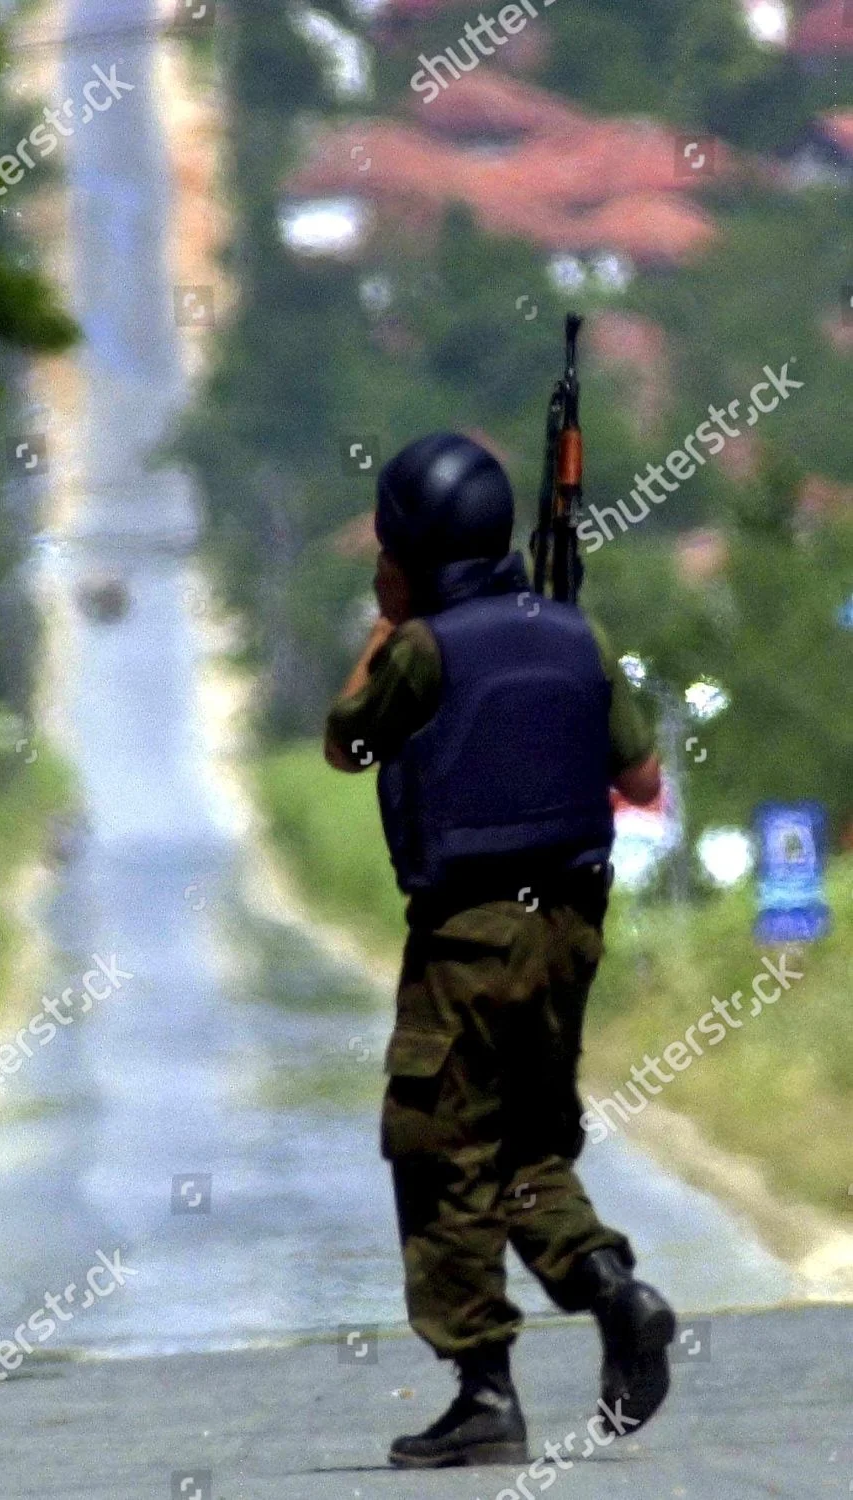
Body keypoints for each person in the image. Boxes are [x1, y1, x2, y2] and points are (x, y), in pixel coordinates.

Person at [324, 432, 675, 1470]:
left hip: (467, 935)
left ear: (414, 550)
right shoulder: (573, 635)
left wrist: (387, 626)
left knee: (438, 1148)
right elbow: (644, 777)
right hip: (569, 932)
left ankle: (483, 1390)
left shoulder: (422, 649)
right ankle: (613, 1293)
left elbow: (345, 742)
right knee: (523, 1144)